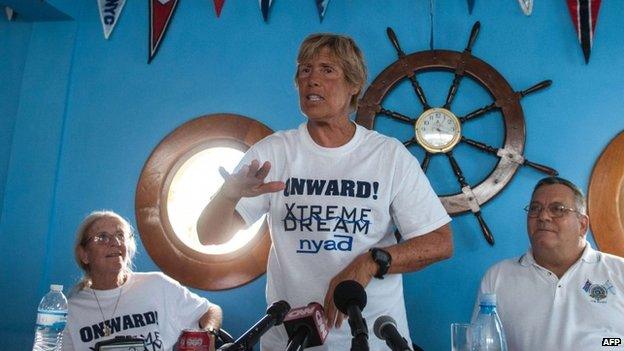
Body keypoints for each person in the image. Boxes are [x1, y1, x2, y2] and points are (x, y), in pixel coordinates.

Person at [197, 33, 453, 350]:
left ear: (354, 84)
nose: (312, 80)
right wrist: (228, 195)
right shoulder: (274, 153)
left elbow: (440, 242)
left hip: (372, 339)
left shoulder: (388, 156)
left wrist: (371, 262)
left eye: (327, 70)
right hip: (291, 341)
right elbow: (208, 236)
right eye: (305, 70)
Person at [475, 177, 624, 351]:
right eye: (535, 209)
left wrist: (608, 343)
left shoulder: (619, 272)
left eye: (558, 209)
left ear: (583, 225)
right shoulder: (498, 277)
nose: (543, 216)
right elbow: (480, 345)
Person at [63, 210, 222, 351]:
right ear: (84, 254)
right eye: (103, 237)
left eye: (120, 235)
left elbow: (210, 310)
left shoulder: (157, 286)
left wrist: (209, 334)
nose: (115, 242)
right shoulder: (71, 311)